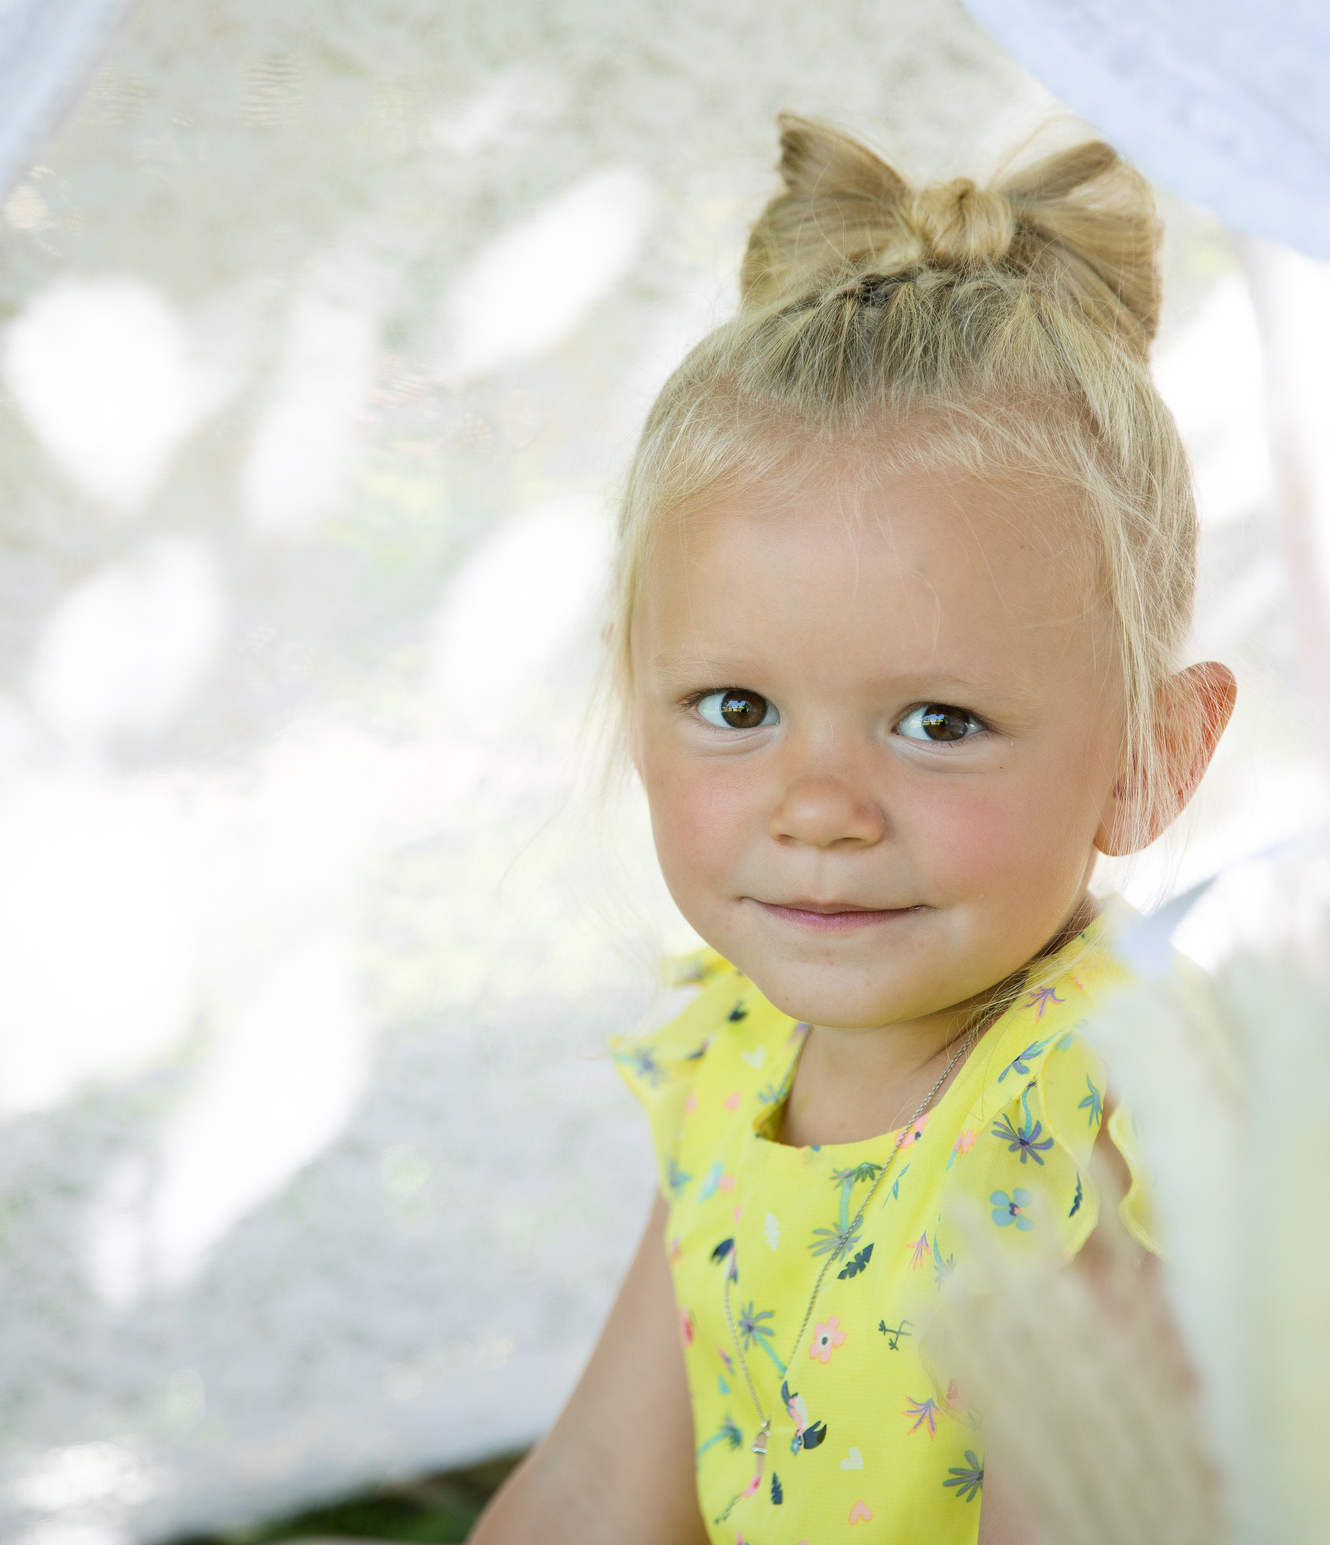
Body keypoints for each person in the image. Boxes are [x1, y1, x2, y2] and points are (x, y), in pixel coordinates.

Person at [471, 117, 1236, 1545]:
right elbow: (594, 1491)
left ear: (1149, 754)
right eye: (737, 705)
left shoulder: (1093, 1135)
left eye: (938, 721)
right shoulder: (736, 1051)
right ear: (632, 703)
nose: (819, 809)